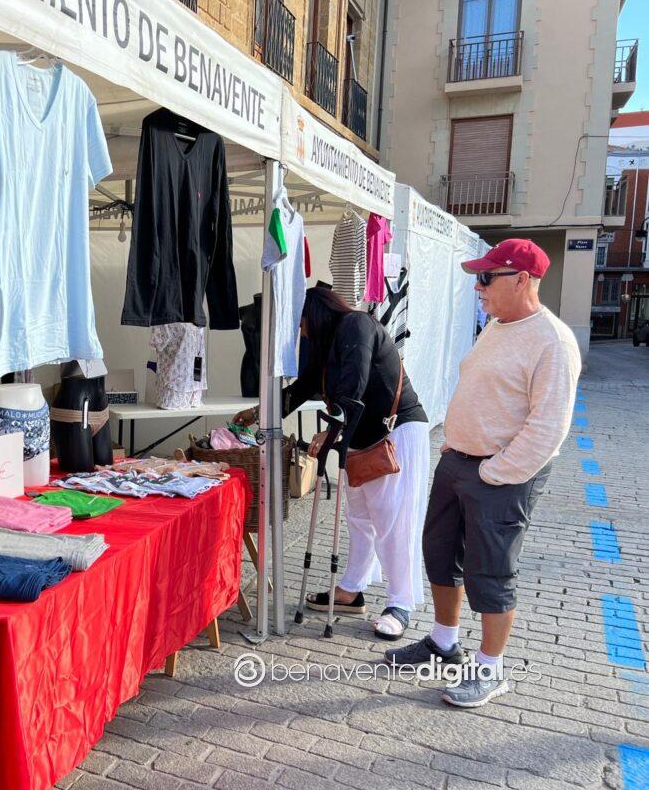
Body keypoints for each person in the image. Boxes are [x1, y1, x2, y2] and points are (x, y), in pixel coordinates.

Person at [386, 239, 580, 709]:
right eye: (479, 277)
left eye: (488, 277)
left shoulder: (552, 341)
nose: (479, 287)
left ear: (522, 280)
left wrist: (496, 472)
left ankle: (490, 670)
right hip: (459, 460)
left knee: (490, 572)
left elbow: (549, 426)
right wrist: (456, 445)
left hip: (500, 473)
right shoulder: (497, 326)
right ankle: (443, 642)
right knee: (439, 554)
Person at [235, 287, 430, 640]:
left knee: (392, 520)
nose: (300, 331)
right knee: (360, 517)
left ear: (313, 314)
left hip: (394, 432)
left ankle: (401, 602)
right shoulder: (323, 343)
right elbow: (304, 387)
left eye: (300, 323)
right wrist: (258, 413)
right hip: (359, 434)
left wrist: (332, 430)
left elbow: (355, 381)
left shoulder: (356, 324)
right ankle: (351, 589)